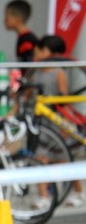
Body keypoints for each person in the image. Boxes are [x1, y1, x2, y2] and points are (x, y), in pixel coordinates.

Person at [27, 34, 85, 207]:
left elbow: (64, 101)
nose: (36, 53)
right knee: (41, 159)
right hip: (42, 124)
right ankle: (43, 196)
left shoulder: (59, 73)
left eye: (41, 50)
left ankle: (78, 191)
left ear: (53, 54)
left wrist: (65, 124)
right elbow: (28, 94)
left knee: (64, 160)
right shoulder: (35, 73)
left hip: (56, 123)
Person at [4, 1, 38, 74]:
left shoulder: (26, 41)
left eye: (7, 16)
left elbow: (29, 66)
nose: (4, 20)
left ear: (17, 19)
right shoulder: (24, 38)